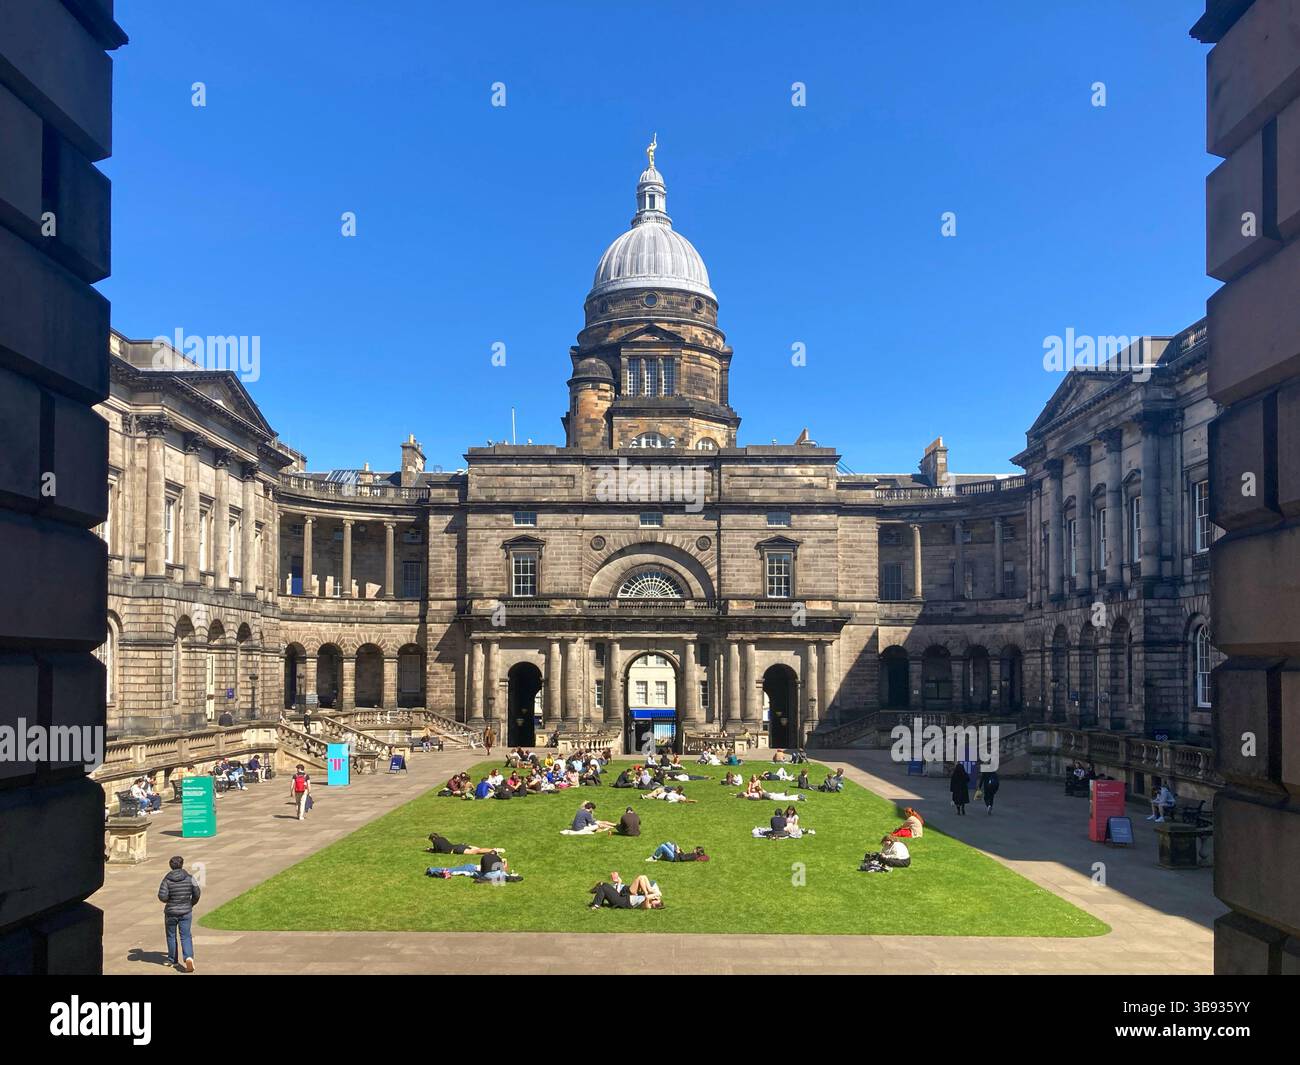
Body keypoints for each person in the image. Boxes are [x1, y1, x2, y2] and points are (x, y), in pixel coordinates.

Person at [158, 855, 201, 972]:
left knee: (171, 936)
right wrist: (191, 903)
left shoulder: (166, 879)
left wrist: (169, 900)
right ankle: (188, 957)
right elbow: (197, 893)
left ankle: (173, 960)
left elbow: (162, 896)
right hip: (186, 911)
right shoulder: (190, 878)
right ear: (182, 864)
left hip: (171, 912)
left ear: (171, 866)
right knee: (186, 935)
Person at [589, 873, 663, 909]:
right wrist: (656, 895)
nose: (654, 899)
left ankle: (596, 905)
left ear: (654, 905)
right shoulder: (650, 900)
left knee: (604, 886)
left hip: (622, 902)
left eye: (655, 901)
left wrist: (656, 894)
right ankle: (599, 903)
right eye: (656, 899)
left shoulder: (648, 906)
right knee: (604, 886)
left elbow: (647, 897)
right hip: (624, 897)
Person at [427, 832, 505, 856]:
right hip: (458, 845)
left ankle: (494, 850)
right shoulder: (442, 838)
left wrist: (430, 850)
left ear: (433, 838)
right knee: (477, 849)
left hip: (456, 849)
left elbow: (436, 850)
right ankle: (494, 850)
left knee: (475, 852)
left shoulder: (435, 841)